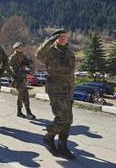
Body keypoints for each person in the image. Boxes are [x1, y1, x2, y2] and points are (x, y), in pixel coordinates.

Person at [35, 29, 76, 159]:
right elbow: (38, 55)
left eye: (65, 36)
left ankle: (62, 145)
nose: (63, 38)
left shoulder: (69, 52)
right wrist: (49, 41)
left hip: (68, 90)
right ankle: (49, 136)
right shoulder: (51, 51)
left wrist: (72, 89)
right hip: (55, 89)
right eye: (60, 36)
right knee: (62, 117)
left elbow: (71, 73)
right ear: (55, 38)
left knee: (68, 120)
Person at [9, 42, 36, 120]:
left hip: (23, 79)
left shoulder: (23, 56)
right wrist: (22, 68)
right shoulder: (13, 58)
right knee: (23, 96)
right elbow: (12, 69)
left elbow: (29, 62)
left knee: (24, 96)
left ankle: (24, 112)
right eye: (19, 48)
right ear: (15, 49)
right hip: (17, 80)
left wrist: (29, 64)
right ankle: (24, 112)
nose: (21, 48)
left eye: (21, 47)